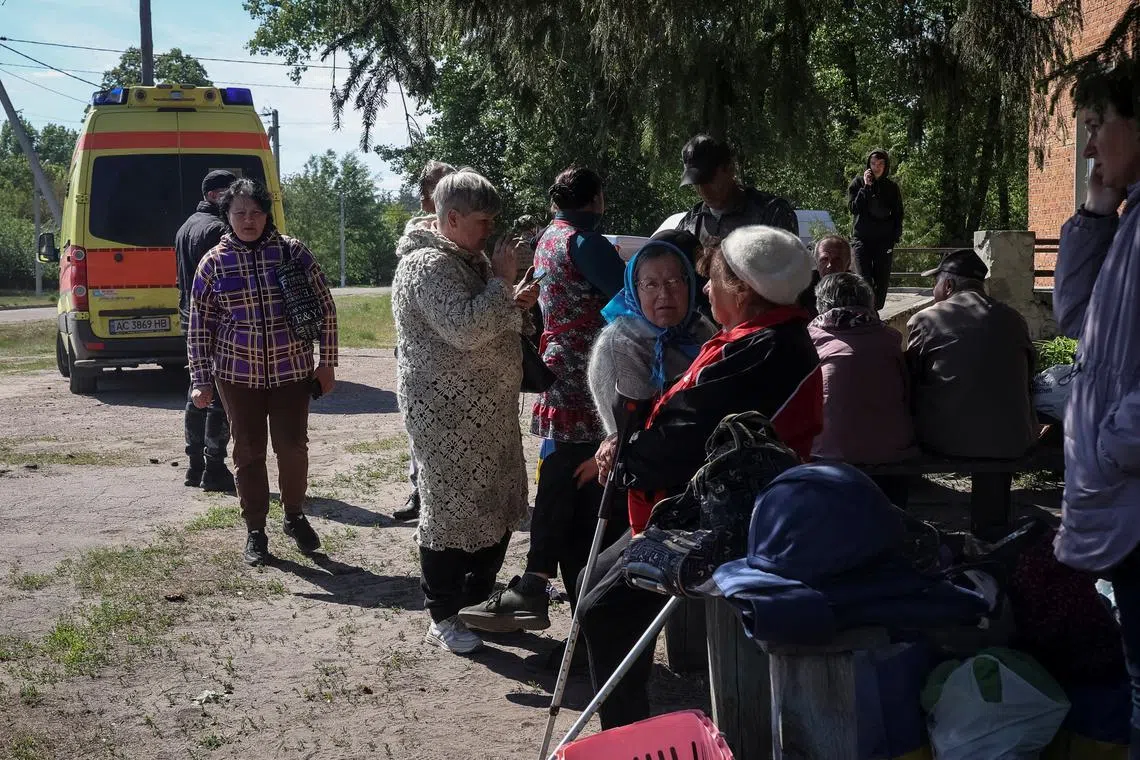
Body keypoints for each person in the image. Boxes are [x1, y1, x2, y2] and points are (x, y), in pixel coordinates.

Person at [582, 225, 822, 728]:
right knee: (593, 582)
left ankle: (628, 733)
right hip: (701, 503)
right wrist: (627, 448)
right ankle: (629, 719)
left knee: (603, 607)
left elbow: (686, 438)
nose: (704, 290)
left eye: (710, 280)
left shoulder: (764, 348)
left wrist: (626, 460)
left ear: (742, 288)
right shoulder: (758, 340)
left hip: (723, 520)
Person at [457, 166, 623, 633]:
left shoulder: (549, 236)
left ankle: (540, 583)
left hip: (558, 362)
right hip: (590, 368)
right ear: (596, 200)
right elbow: (630, 298)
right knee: (577, 474)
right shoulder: (586, 243)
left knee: (569, 476)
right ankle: (556, 590)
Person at [392, 169, 540, 655]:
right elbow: (465, 329)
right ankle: (442, 614)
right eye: (482, 221)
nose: (489, 232)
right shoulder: (425, 266)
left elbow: (490, 315)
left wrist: (513, 297)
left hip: (488, 411)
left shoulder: (465, 257)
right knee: (450, 512)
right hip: (445, 416)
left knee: (495, 503)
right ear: (451, 217)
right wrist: (501, 283)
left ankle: (478, 604)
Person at [1052, 60, 1140, 750]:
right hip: (1120, 496)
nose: (1089, 147)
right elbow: (1073, 313)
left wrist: (1114, 446)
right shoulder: (1130, 219)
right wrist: (1091, 210)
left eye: (1096, 127)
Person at [187, 178, 338, 566]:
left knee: (292, 449)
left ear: (267, 214)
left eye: (255, 212)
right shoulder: (213, 264)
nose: (248, 220)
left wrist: (327, 362)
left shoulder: (292, 253)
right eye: (240, 213)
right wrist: (200, 381)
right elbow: (199, 327)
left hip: (291, 371)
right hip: (237, 376)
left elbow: (325, 305)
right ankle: (256, 530)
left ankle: (294, 516)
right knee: (248, 452)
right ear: (228, 216)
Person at [906, 249, 1036, 461]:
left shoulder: (926, 320)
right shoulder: (1014, 318)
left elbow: (909, 379)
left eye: (935, 283)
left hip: (945, 442)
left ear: (948, 286)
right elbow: (1029, 374)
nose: (933, 290)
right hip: (1013, 441)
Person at [809, 272, 916, 504]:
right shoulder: (890, 339)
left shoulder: (811, 340)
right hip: (893, 451)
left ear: (820, 303)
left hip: (829, 454)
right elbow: (907, 394)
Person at [393, 160, 456, 523]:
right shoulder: (416, 236)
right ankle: (421, 490)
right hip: (418, 348)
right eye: (437, 189)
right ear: (425, 198)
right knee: (420, 423)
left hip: (454, 348)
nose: (444, 194)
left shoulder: (466, 234)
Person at [175, 169, 236, 493]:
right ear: (215, 195)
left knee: (196, 391)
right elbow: (224, 283)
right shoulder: (216, 230)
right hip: (215, 322)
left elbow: (180, 279)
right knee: (217, 398)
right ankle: (214, 467)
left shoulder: (186, 227)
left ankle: (194, 466)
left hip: (191, 319)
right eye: (229, 194)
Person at [675, 134, 799, 247]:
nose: (703, 190)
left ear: (730, 169)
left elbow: (788, 267)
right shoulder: (689, 224)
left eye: (708, 180)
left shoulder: (772, 213)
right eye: (696, 183)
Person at [848, 149, 904, 310]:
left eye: (880, 164)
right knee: (863, 278)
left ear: (885, 165)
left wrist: (895, 236)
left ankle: (876, 311)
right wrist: (866, 187)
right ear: (868, 165)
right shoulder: (857, 183)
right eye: (873, 164)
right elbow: (853, 208)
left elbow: (898, 213)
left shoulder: (891, 187)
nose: (876, 167)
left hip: (884, 240)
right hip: (861, 239)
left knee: (882, 279)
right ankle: (866, 310)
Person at [797, 234, 856, 316]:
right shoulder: (803, 287)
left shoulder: (858, 289)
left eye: (837, 260)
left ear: (848, 263)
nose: (830, 265)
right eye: (824, 259)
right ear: (816, 262)